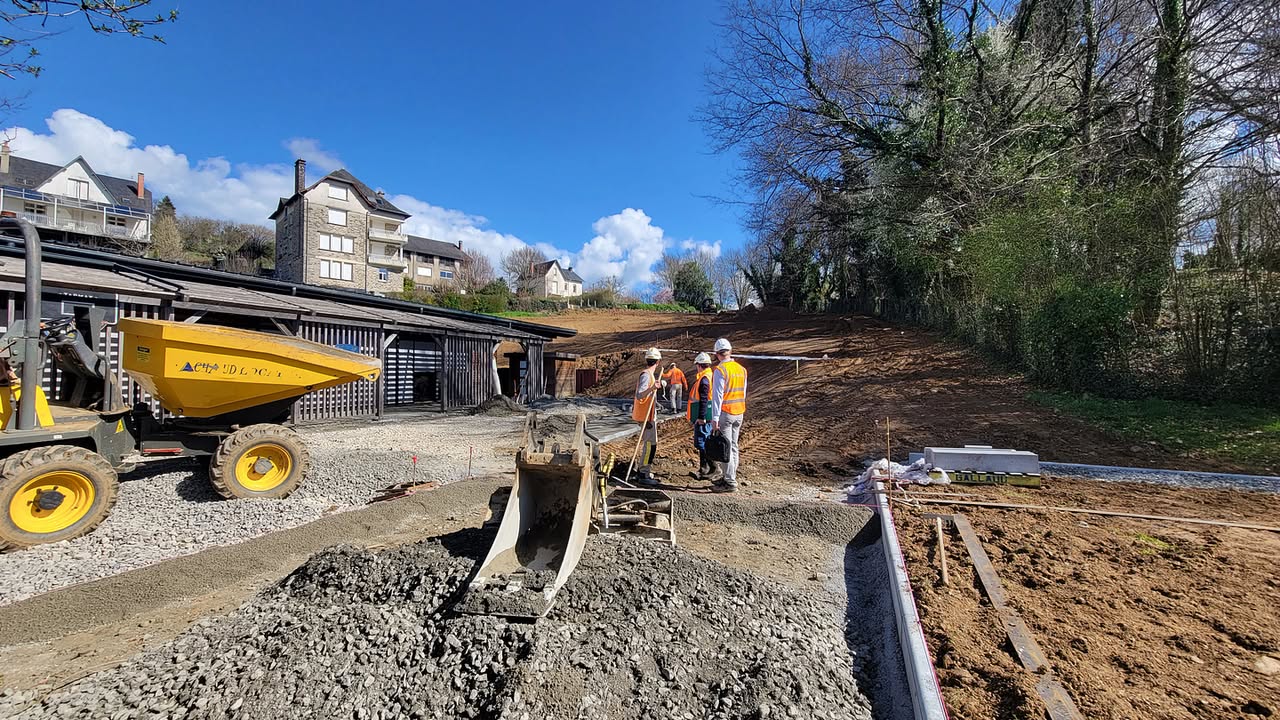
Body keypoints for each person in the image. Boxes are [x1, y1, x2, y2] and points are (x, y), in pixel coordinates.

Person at [709, 337, 747, 493]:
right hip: (739, 411)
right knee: (734, 446)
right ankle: (729, 476)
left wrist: (715, 418)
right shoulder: (741, 369)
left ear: (717, 353)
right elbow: (744, 392)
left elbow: (717, 396)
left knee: (726, 448)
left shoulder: (720, 370)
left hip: (726, 413)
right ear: (730, 351)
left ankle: (730, 482)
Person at [630, 347, 663, 486]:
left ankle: (643, 470)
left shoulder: (650, 375)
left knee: (650, 445)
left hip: (648, 415)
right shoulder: (646, 375)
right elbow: (640, 394)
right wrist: (652, 388)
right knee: (650, 445)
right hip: (645, 416)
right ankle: (643, 472)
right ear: (658, 361)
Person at [686, 352, 715, 480]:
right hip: (706, 415)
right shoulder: (709, 376)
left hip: (704, 417)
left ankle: (713, 467)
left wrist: (701, 417)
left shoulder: (704, 379)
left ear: (699, 365)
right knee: (702, 443)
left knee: (702, 443)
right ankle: (704, 469)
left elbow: (704, 399)